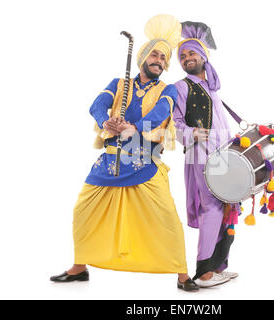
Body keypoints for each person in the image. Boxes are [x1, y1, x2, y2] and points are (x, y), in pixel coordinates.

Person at [50, 14, 198, 292]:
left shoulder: (167, 90)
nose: (159, 60)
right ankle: (80, 266)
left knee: (166, 218)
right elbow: (98, 104)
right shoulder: (119, 83)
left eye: (164, 59)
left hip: (144, 163)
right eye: (155, 54)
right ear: (143, 56)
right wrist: (105, 121)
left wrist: (133, 128)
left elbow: (161, 113)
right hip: (109, 162)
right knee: (83, 211)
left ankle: (181, 273)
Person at [173, 21, 240, 288]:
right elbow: (175, 122)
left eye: (191, 54)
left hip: (222, 153)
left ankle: (215, 266)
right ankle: (204, 272)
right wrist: (190, 134)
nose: (187, 59)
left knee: (227, 205)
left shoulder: (212, 91)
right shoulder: (181, 86)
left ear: (203, 57)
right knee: (211, 205)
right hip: (200, 153)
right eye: (182, 56)